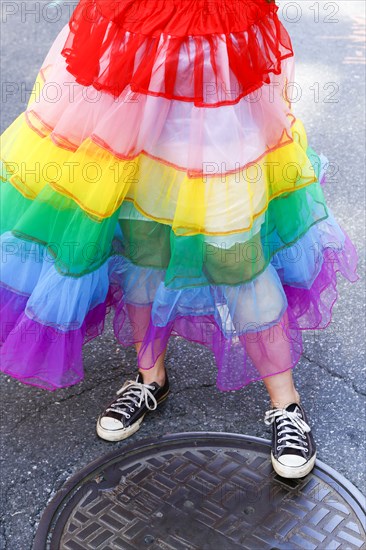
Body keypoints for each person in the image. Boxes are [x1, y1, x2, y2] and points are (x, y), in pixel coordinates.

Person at [0, 0, 358, 479]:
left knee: (236, 254)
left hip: (219, 92)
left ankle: (286, 404)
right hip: (131, 75)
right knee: (143, 243)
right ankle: (151, 378)